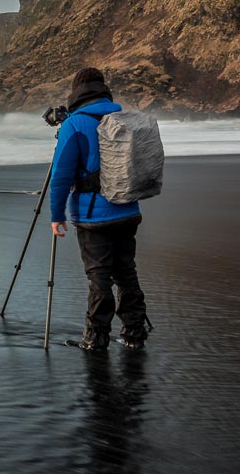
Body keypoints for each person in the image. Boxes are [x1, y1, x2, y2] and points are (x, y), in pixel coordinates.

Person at [49, 67, 149, 351]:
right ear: (103, 88)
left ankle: (96, 338)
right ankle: (134, 333)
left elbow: (61, 176)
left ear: (76, 91)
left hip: (94, 215)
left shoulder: (75, 124)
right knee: (126, 272)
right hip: (129, 210)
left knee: (99, 277)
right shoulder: (122, 118)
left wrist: (56, 216)